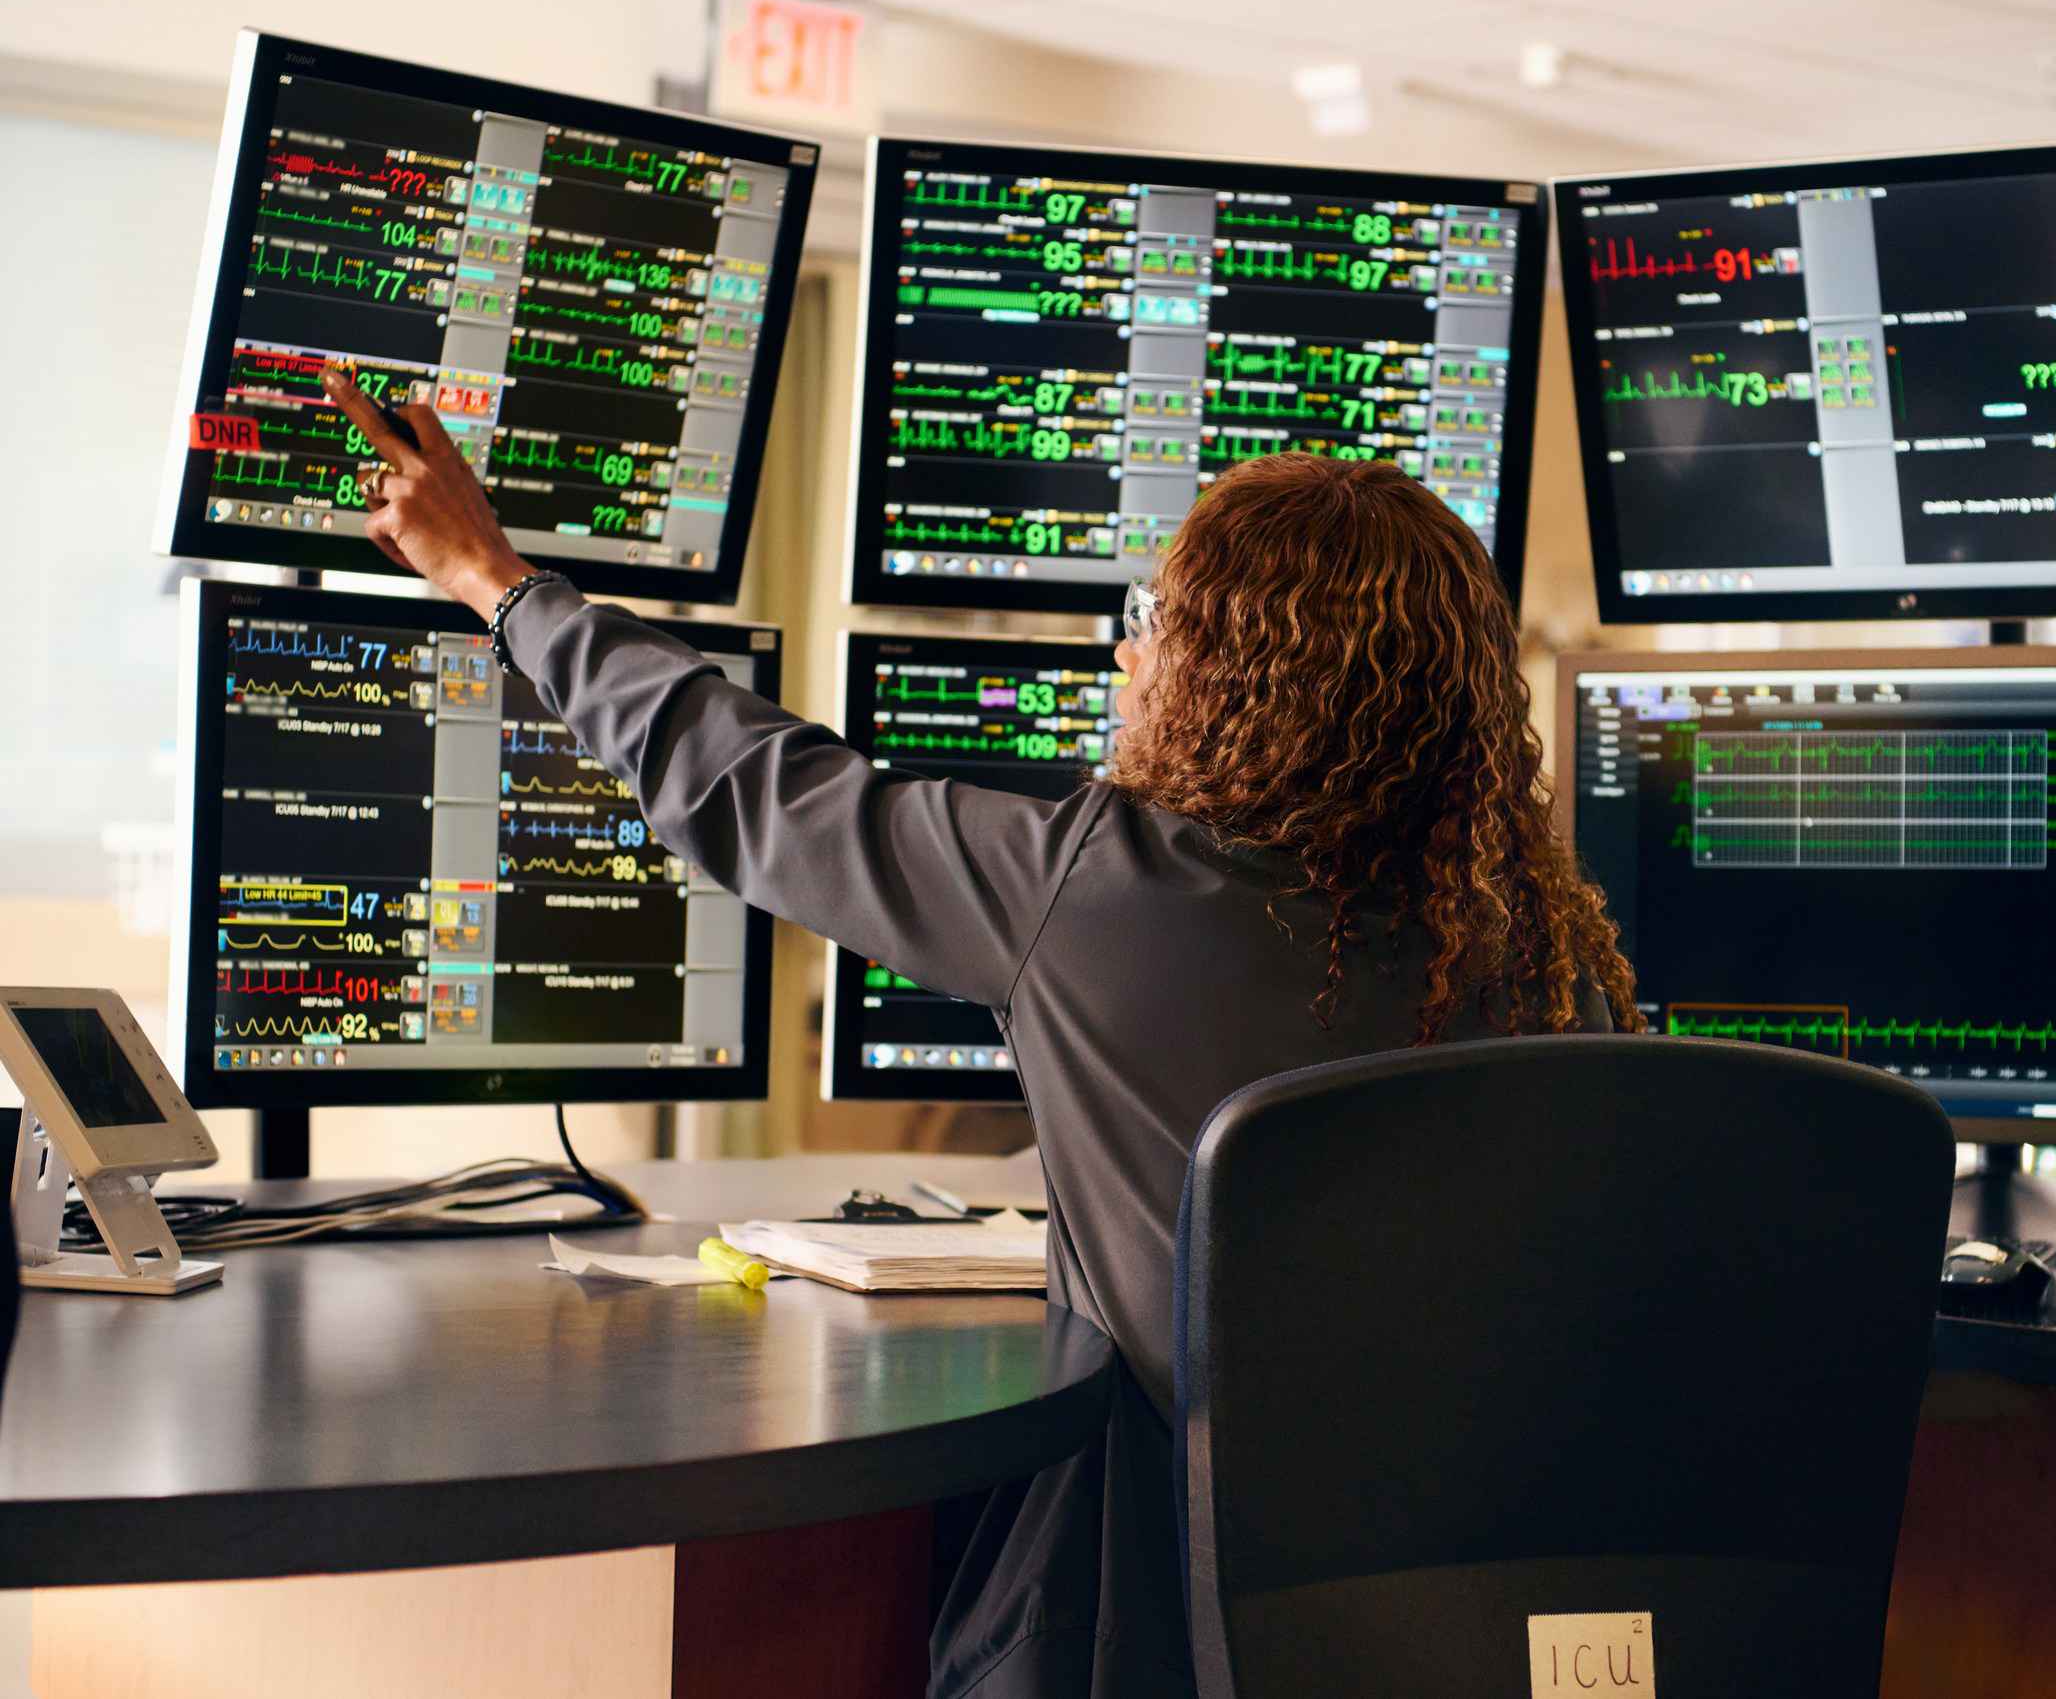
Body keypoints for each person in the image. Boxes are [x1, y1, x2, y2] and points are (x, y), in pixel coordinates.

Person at [320, 368, 1640, 1697]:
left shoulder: (1095, 888)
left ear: (1223, 672)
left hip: (1169, 1642)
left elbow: (752, 786)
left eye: (1154, 621)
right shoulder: (1545, 952)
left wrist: (501, 584)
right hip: (1496, 1631)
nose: (1127, 655)